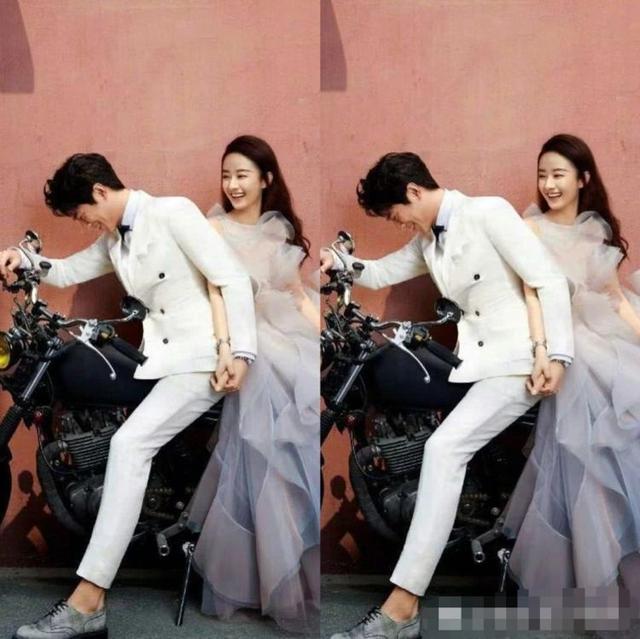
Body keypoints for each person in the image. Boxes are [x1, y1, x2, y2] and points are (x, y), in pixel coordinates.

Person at [0, 153, 257, 639]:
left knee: (129, 444)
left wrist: (240, 352)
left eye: (83, 214)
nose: (85, 223)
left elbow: (231, 277)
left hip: (204, 358)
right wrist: (24, 258)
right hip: (160, 361)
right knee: (116, 431)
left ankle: (88, 601)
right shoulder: (115, 240)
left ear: (100, 191)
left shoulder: (172, 212)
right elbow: (66, 270)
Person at [319, 151, 574, 639]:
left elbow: (547, 279)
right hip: (476, 365)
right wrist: (340, 262)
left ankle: (401, 609)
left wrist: (556, 355)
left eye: (396, 213)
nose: (398, 222)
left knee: (443, 449)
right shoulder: (428, 240)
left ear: (414, 192)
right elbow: (380, 272)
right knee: (432, 438)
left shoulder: (488, 212)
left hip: (520, 363)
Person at [186, 135, 320, 634]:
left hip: (286, 339)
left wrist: (325, 339)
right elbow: (215, 295)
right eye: (226, 175)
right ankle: (260, 580)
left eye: (242, 175)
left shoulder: (278, 230)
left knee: (286, 451)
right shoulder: (212, 228)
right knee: (256, 446)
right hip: (243, 344)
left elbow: (298, 297)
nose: (232, 185)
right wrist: (228, 347)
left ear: (266, 179)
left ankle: (285, 576)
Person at [504, 134, 640, 610]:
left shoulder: (594, 228)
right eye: (543, 174)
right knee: (583, 450)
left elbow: (615, 299)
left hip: (603, 336)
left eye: (558, 174)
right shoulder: (529, 228)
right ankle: (594, 584)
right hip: (564, 345)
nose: (549, 184)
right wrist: (543, 349)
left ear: (582, 179)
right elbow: (531, 296)